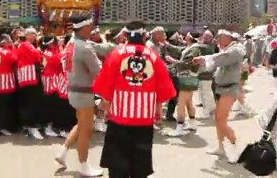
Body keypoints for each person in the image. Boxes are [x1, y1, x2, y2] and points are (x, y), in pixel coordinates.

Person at [92, 21, 176, 178]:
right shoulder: (153, 56)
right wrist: (158, 109)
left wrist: (104, 105)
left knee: (117, 166)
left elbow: (106, 83)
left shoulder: (117, 54)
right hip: (144, 118)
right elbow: (164, 88)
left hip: (118, 118)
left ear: (124, 36)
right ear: (144, 36)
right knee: (140, 166)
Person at [55, 14, 103, 177]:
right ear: (83, 28)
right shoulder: (85, 48)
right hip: (84, 92)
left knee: (81, 125)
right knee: (87, 130)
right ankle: (84, 165)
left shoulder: (71, 43)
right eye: (89, 27)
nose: (91, 29)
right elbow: (98, 72)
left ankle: (63, 152)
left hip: (73, 89)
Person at [193, 29, 246, 164]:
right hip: (221, 87)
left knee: (221, 119)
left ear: (226, 37)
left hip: (230, 88)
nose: (217, 41)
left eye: (219, 38)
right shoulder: (227, 49)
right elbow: (215, 63)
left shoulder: (236, 49)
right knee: (218, 119)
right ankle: (221, 147)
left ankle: (237, 148)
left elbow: (222, 59)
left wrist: (204, 58)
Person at [16, 27, 44, 139]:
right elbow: (37, 56)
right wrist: (39, 51)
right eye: (31, 34)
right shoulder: (24, 45)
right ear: (26, 35)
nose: (34, 36)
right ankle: (31, 126)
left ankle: (31, 125)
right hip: (28, 76)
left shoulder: (30, 45)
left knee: (32, 102)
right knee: (31, 102)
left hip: (31, 76)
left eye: (35, 34)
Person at [0, 34, 18, 136]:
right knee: (5, 107)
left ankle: (0, 126)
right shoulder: (7, 52)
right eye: (8, 41)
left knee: (0, 106)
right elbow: (15, 58)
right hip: (5, 82)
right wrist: (13, 47)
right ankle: (3, 127)